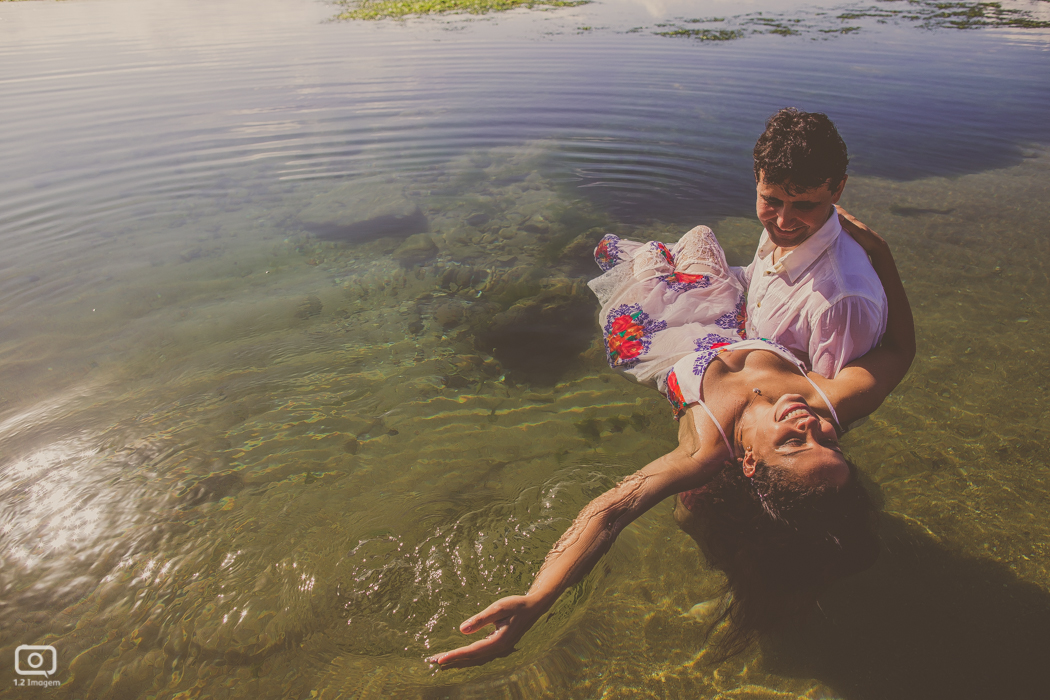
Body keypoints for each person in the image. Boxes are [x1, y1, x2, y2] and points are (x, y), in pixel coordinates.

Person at [427, 211, 914, 669]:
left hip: (654, 334)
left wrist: (538, 598)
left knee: (626, 253)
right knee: (699, 233)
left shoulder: (704, 449)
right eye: (830, 444)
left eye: (792, 445)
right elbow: (900, 348)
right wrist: (881, 252)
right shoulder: (829, 400)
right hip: (718, 310)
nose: (810, 426)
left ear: (748, 462)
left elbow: (609, 512)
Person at [742, 107, 887, 378]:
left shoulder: (841, 302)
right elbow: (756, 281)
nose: (783, 221)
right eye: (771, 200)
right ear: (757, 178)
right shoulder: (781, 233)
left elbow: (826, 399)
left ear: (838, 189)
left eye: (805, 205)